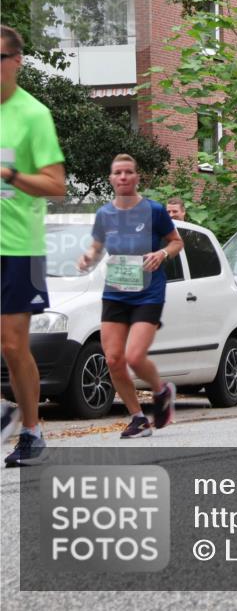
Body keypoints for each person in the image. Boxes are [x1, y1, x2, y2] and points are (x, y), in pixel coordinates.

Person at [77, 154, 183, 438]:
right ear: (111, 179)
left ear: (136, 177)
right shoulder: (104, 214)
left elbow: (176, 243)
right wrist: (88, 257)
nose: (123, 177)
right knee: (112, 359)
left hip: (148, 292)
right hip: (115, 291)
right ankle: (137, 418)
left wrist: (161, 253)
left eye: (128, 172)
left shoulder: (154, 210)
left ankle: (161, 392)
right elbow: (97, 246)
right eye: (117, 173)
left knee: (134, 357)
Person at [1, 25, 67, 466]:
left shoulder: (33, 115)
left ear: (15, 62)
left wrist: (10, 176)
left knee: (10, 343)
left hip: (18, 247)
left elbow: (55, 184)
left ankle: (30, 429)